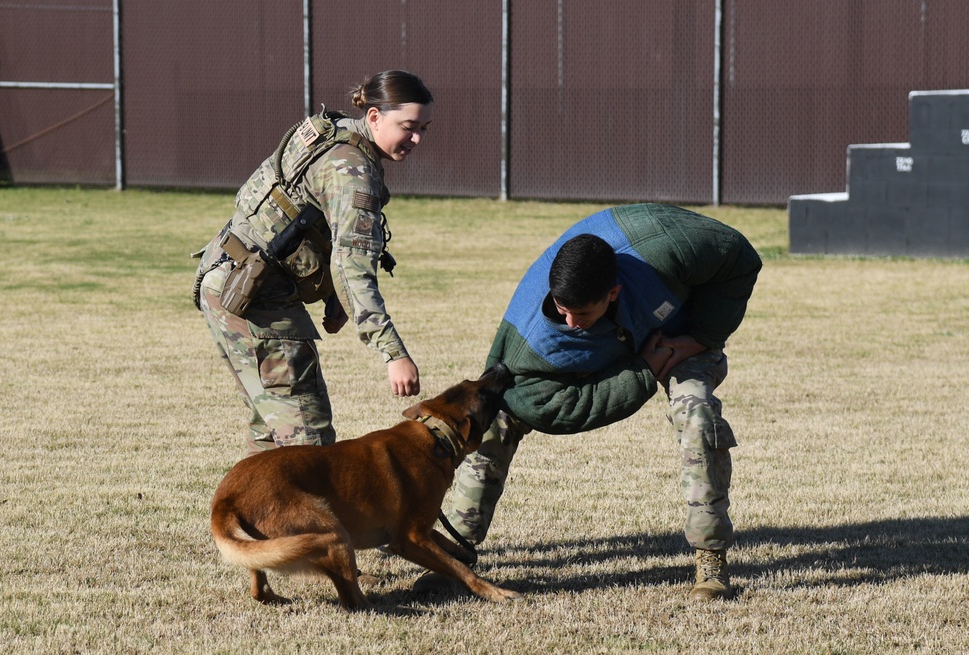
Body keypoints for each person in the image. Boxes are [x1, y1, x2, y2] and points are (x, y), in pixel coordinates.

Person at [435, 203, 761, 601]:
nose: (570, 321)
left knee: (697, 411)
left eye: (581, 313)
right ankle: (454, 550)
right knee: (501, 417)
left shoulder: (676, 246)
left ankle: (711, 557)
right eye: (562, 310)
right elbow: (558, 408)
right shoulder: (530, 342)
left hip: (679, 334)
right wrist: (642, 372)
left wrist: (700, 336)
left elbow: (741, 259)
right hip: (615, 349)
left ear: (613, 293)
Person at [192, 70, 433, 455]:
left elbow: (303, 222)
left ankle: (256, 514)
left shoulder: (333, 131)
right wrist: (393, 353)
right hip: (254, 293)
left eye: (424, 128)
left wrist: (332, 298)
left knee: (274, 434)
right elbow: (352, 268)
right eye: (408, 126)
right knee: (309, 445)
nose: (417, 138)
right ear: (374, 117)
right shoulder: (351, 171)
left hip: (227, 276)